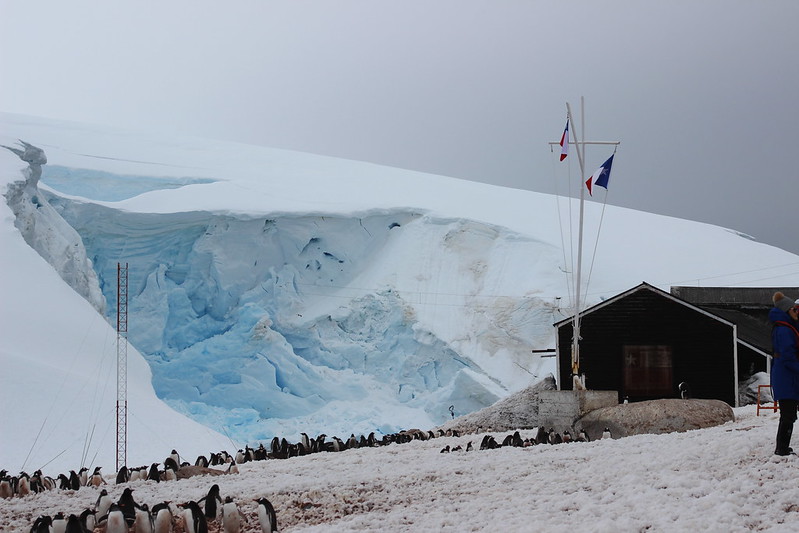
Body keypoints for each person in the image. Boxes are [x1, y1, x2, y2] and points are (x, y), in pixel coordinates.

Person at [770, 292, 799, 455]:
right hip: (787, 377)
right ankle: (781, 449)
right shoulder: (784, 330)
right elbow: (788, 357)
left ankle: (782, 446)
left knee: (788, 414)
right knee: (788, 415)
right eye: (794, 309)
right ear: (787, 310)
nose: (796, 312)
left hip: (786, 377)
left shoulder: (786, 327)